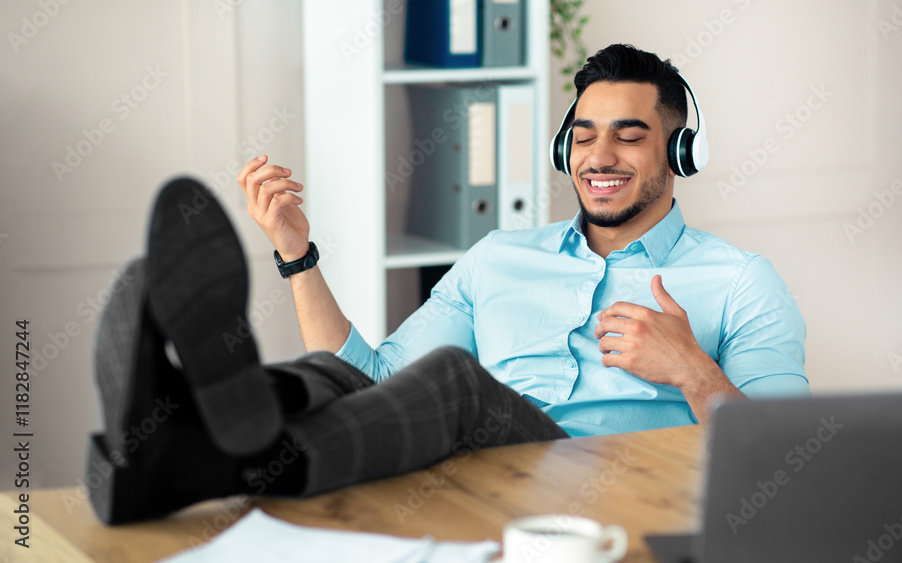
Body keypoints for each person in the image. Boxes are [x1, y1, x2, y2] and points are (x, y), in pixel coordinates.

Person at [88, 44, 806, 525]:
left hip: (611, 505)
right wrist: (297, 255)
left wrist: (690, 369)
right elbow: (369, 380)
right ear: (565, 148)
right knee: (341, 379)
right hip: (483, 485)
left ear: (679, 150)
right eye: (583, 134)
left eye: (629, 134)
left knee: (457, 382)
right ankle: (171, 429)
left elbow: (792, 460)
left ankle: (178, 452)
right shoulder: (499, 257)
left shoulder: (739, 281)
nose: (599, 155)